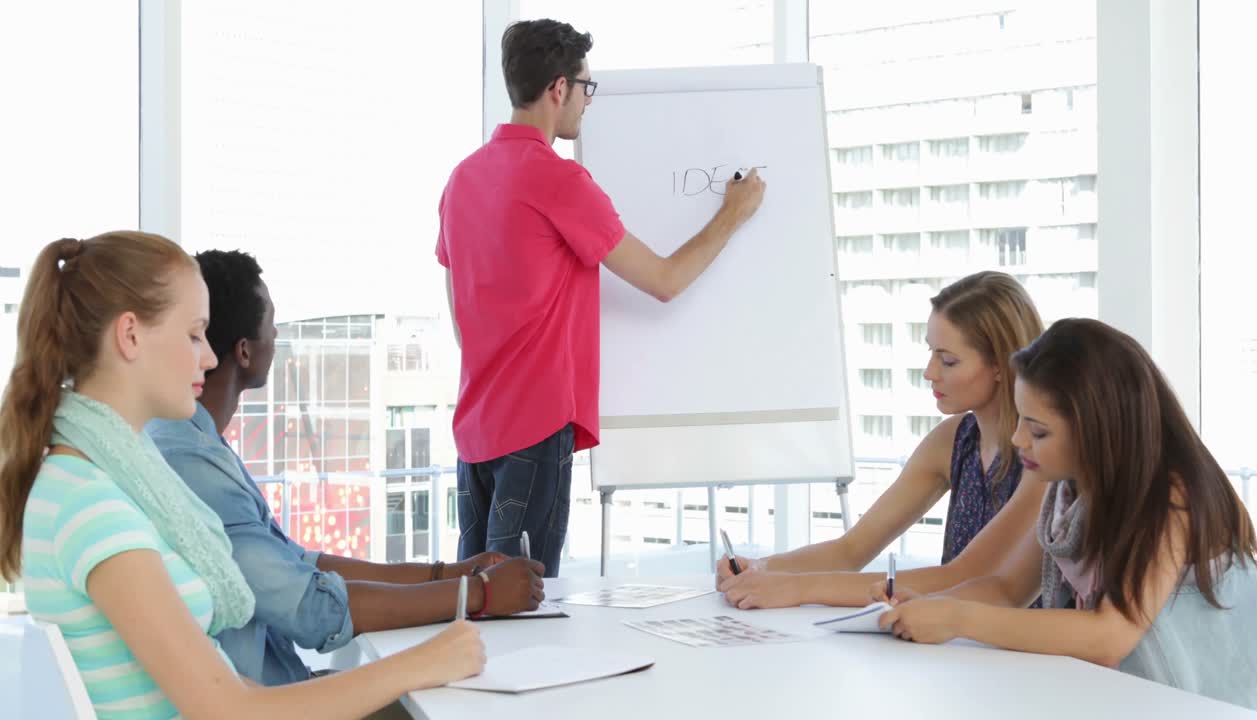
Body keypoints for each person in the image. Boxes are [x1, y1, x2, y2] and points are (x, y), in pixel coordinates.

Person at [2, 232, 483, 719]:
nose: (209, 357)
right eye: (193, 334)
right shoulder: (92, 507)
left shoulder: (98, 485)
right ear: (130, 336)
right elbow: (230, 711)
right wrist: (421, 664)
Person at [439, 18, 766, 576]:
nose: (589, 101)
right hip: (534, 427)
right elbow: (664, 281)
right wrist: (731, 215)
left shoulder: (462, 178)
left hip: (475, 431)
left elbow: (459, 316)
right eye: (586, 87)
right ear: (559, 89)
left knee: (476, 596)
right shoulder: (560, 181)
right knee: (522, 600)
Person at [147, 249, 544, 686]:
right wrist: (480, 594)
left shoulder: (197, 443)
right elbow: (312, 609)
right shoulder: (190, 462)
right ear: (243, 350)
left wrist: (453, 573)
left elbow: (301, 564)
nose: (277, 333)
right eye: (272, 322)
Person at [876, 318, 1257, 713]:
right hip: (1119, 697)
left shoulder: (1171, 498)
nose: (1018, 440)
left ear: (1098, 430)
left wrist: (958, 618)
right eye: (1020, 422)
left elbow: (1110, 635)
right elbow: (1008, 589)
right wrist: (930, 606)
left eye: (1039, 431)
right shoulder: (1069, 490)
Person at [718, 271, 1046, 609]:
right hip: (959, 646)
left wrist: (798, 588)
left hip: (1028, 655)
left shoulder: (1043, 455)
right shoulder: (952, 440)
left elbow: (964, 577)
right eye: (931, 352)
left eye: (948, 360)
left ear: (1000, 365)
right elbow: (851, 550)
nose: (929, 372)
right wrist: (759, 570)